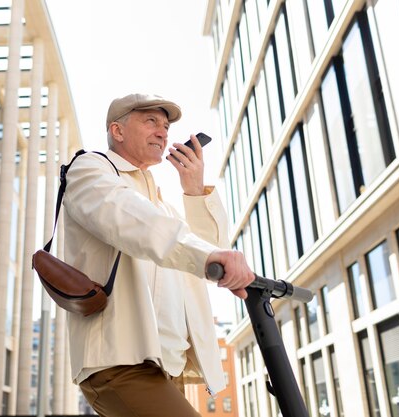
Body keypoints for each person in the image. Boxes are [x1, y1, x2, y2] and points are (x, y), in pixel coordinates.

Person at [62, 93, 255, 417]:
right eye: (150, 121)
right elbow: (134, 221)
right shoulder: (91, 170)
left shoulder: (161, 205)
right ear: (117, 131)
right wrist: (210, 257)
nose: (163, 132)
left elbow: (209, 249)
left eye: (165, 126)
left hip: (168, 366)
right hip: (121, 361)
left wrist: (194, 188)